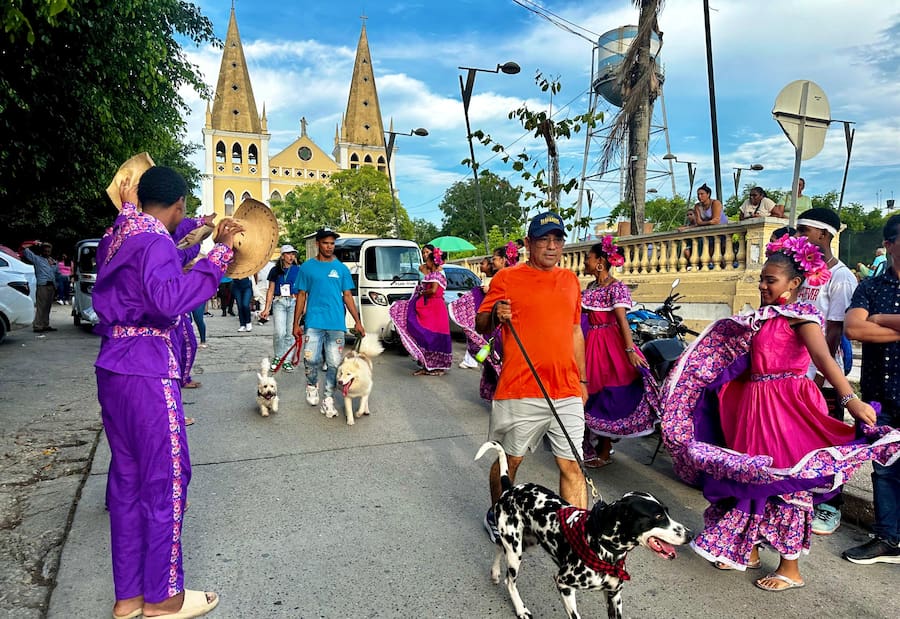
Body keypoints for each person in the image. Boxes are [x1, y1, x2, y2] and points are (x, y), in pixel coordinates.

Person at [660, 234, 900, 591]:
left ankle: (790, 568)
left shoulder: (801, 317)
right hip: (754, 408)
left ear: (795, 283)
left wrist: (851, 400)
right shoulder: (761, 319)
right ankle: (750, 548)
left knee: (784, 480)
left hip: (787, 408)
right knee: (750, 475)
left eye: (770, 280)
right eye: (762, 279)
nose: (762, 285)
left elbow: (823, 359)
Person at [93, 167, 242, 619]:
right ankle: (164, 597)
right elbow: (167, 298)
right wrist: (218, 259)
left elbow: (163, 259)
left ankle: (129, 598)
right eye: (184, 209)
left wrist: (203, 239)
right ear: (177, 205)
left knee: (127, 483)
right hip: (146, 368)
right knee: (166, 482)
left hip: (112, 365)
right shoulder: (154, 239)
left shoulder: (120, 234)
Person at [476, 211, 588, 543]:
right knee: (509, 461)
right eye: (544, 240)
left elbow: (575, 331)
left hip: (566, 389)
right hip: (520, 389)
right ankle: (498, 515)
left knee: (573, 468)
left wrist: (582, 381)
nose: (552, 247)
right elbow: (482, 326)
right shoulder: (507, 278)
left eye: (558, 240)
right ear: (528, 244)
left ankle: (574, 535)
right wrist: (496, 314)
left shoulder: (569, 281)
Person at [795, 207, 858, 535]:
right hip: (794, 368)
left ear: (823, 235)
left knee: (828, 438)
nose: (799, 235)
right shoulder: (804, 272)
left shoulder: (841, 277)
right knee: (800, 438)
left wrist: (820, 378)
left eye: (804, 230)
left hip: (821, 372)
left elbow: (834, 331)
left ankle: (831, 506)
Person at [842, 214, 900, 565]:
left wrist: (879, 319)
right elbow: (853, 329)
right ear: (890, 245)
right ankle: (889, 538)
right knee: (885, 467)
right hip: (883, 392)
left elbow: (867, 325)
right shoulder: (872, 287)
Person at [580, 236, 659, 468]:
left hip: (609, 345)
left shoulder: (616, 288)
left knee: (607, 395)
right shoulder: (591, 287)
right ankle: (596, 444)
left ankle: (604, 451)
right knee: (591, 394)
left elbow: (623, 321)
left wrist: (629, 350)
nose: (585, 262)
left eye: (588, 258)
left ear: (600, 263)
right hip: (592, 342)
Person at [293, 228, 365, 417]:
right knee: (310, 359)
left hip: (336, 324)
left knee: (334, 364)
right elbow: (301, 295)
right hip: (314, 322)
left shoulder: (341, 269)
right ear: (318, 244)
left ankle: (328, 399)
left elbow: (348, 296)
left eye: (332, 243)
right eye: (326, 243)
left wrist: (357, 321)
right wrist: (295, 324)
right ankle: (311, 384)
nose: (329, 247)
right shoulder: (307, 267)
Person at [389, 246, 453, 376]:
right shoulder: (435, 274)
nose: (426, 261)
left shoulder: (436, 274)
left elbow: (434, 290)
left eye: (428, 259)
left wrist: (422, 291)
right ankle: (429, 365)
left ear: (433, 262)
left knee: (429, 334)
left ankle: (432, 366)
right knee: (430, 334)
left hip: (433, 307)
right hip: (433, 306)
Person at [260, 245, 301, 372]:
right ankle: (278, 356)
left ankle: (287, 360)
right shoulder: (275, 271)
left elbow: (302, 290)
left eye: (293, 254)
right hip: (279, 301)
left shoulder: (298, 270)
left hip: (294, 301)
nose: (291, 256)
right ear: (282, 256)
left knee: (290, 332)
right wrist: (267, 308)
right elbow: (271, 290)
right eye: (288, 254)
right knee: (279, 332)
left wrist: (303, 306)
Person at [22, 241, 59, 332]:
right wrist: (34, 243)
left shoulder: (53, 261)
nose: (47, 252)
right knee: (41, 306)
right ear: (42, 251)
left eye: (48, 251)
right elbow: (23, 248)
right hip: (42, 285)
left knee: (48, 307)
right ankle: (38, 326)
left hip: (52, 286)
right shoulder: (37, 259)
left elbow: (56, 273)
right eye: (45, 251)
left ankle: (45, 324)